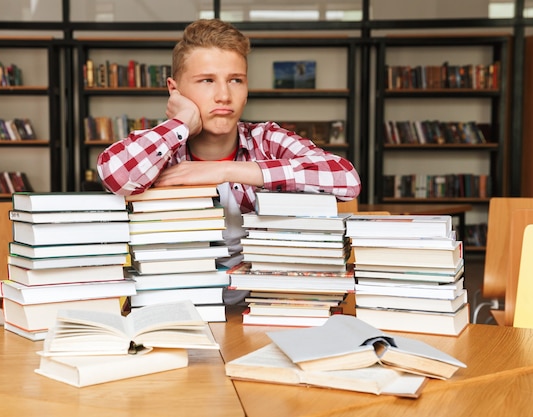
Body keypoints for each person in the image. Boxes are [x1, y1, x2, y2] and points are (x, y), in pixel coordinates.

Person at [97, 18, 361, 303]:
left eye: (235, 80)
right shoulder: (160, 146)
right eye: (207, 81)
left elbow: (346, 179)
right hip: (176, 306)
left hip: (265, 304)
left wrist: (224, 169)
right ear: (174, 90)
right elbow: (115, 175)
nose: (224, 96)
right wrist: (182, 120)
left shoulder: (266, 140)